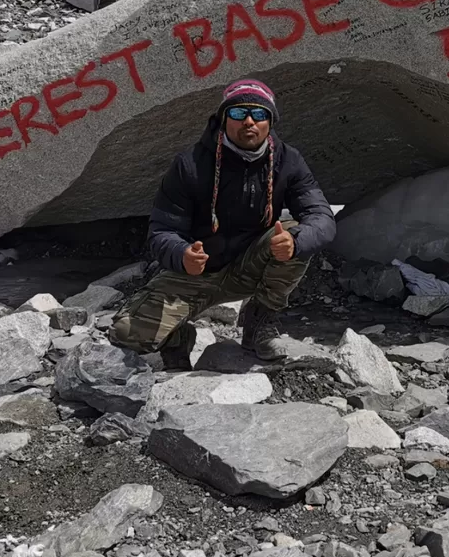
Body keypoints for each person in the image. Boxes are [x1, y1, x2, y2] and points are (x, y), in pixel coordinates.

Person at [111, 79, 335, 366]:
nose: (249, 122)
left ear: (270, 121)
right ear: (223, 118)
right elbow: (162, 230)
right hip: (196, 272)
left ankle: (260, 323)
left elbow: (322, 218)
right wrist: (182, 254)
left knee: (293, 235)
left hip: (250, 267)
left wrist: (295, 242)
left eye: (260, 114)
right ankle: (179, 338)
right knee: (125, 333)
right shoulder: (190, 164)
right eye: (239, 114)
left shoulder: (287, 161)